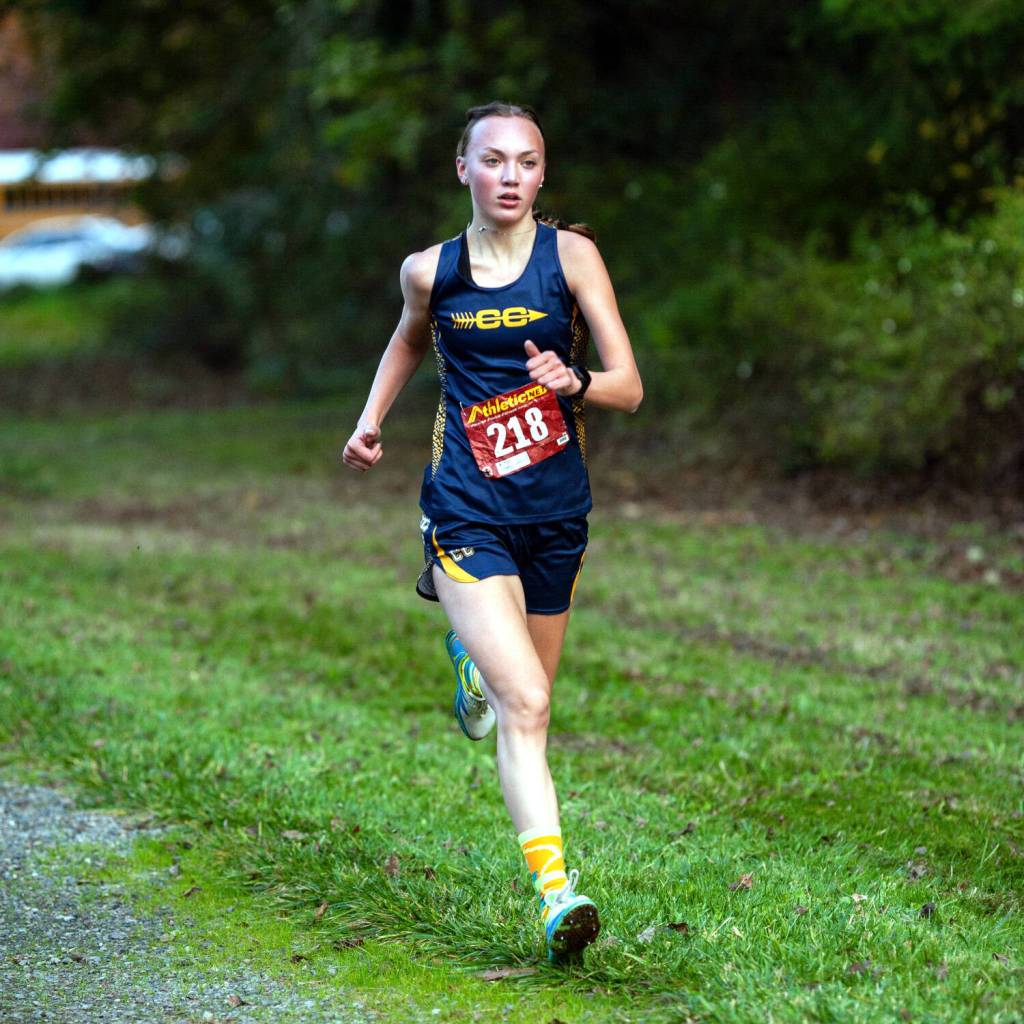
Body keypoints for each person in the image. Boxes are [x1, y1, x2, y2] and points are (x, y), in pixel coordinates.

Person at [342, 101, 642, 962]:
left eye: (528, 162)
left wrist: (574, 379)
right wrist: (371, 421)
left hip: (555, 516)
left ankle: (472, 662)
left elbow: (628, 386)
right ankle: (558, 896)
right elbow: (407, 342)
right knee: (530, 703)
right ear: (463, 170)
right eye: (494, 160)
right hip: (466, 510)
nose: (511, 176)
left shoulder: (572, 258)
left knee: (526, 706)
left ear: (543, 176)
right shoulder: (431, 272)